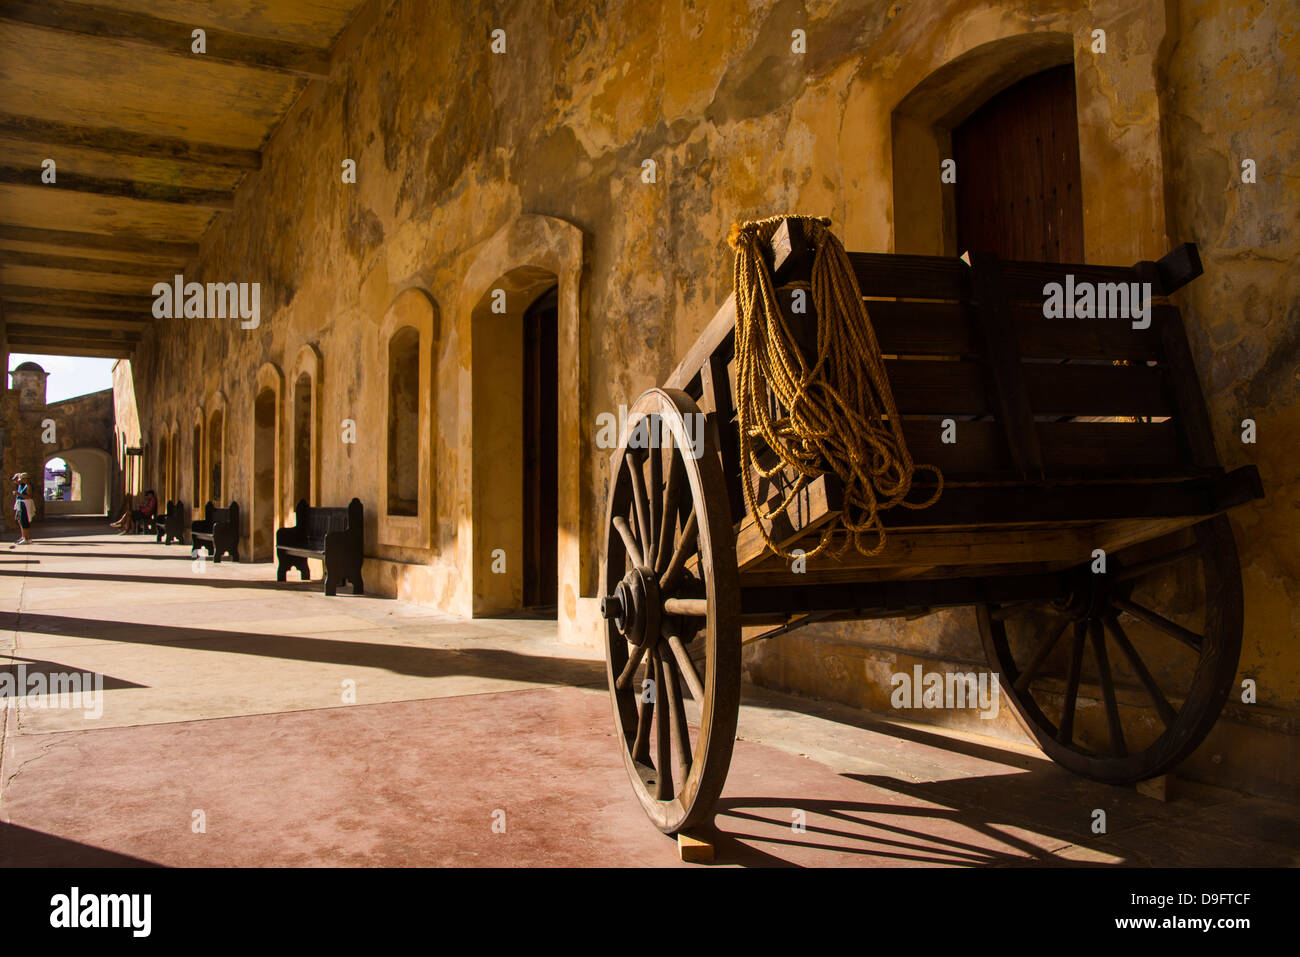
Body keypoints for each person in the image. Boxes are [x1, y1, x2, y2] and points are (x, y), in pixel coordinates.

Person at [9, 472, 35, 547]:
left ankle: (26, 538)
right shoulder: (22, 485)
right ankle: (24, 537)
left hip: (25, 504)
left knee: (25, 521)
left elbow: (28, 496)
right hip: (21, 504)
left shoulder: (28, 486)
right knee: (21, 520)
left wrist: (18, 494)